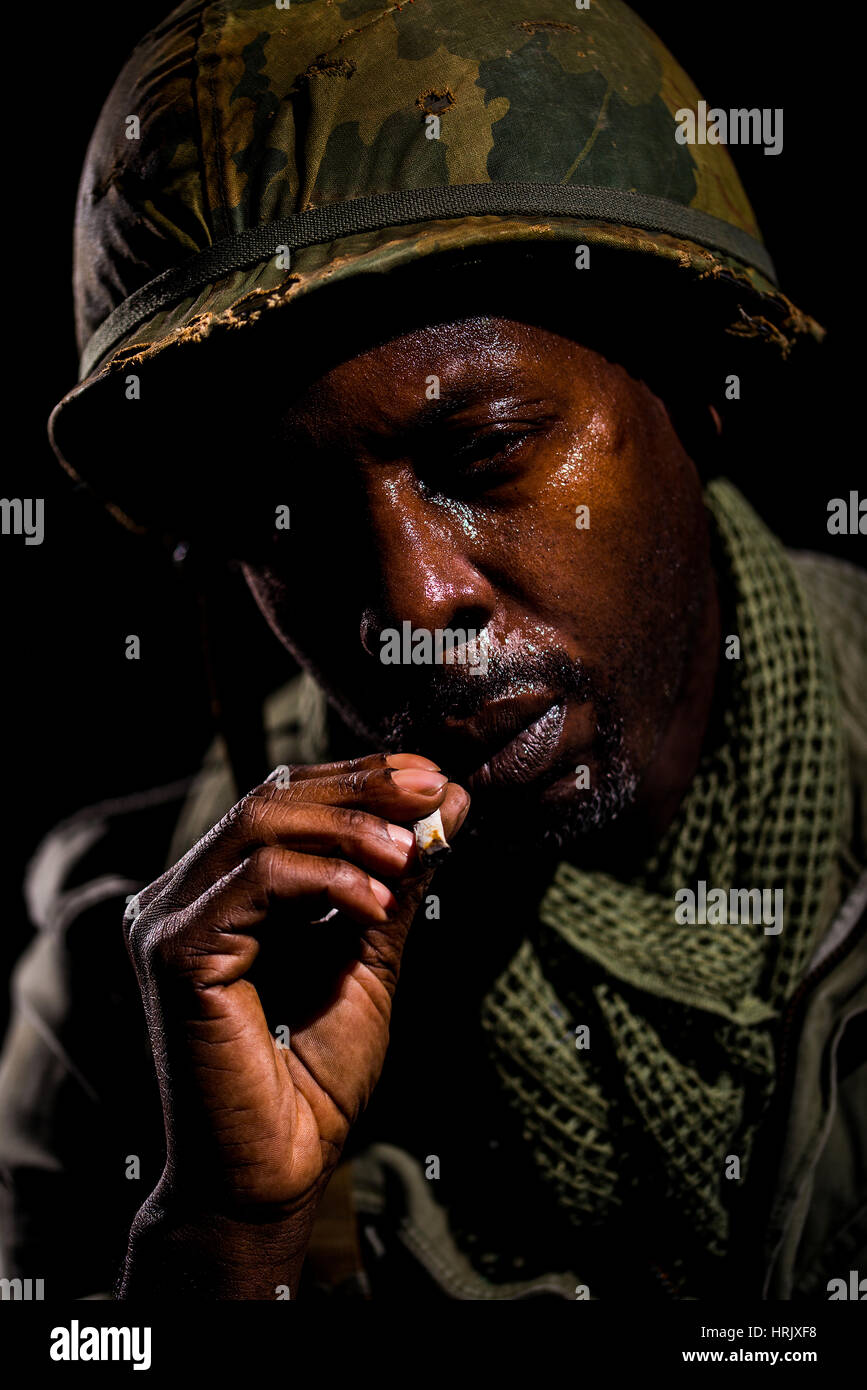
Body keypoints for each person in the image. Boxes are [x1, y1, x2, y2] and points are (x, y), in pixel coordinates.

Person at [1, 0, 864, 1302]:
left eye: (487, 454)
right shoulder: (127, 1011)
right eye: (285, 522)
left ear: (700, 386)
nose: (409, 602)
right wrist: (232, 1235)